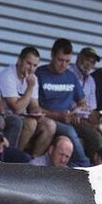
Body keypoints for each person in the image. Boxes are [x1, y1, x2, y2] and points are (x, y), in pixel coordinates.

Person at [35, 39, 91, 167]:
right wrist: (57, 115)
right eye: (60, 60)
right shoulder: (40, 74)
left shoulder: (71, 76)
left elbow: (83, 103)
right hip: (48, 119)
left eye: (67, 61)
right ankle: (84, 166)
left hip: (69, 119)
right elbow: (34, 108)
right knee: (70, 132)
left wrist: (77, 112)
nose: (63, 65)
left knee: (94, 137)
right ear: (52, 55)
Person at [0, 45, 55, 156]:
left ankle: (34, 160)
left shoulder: (33, 78)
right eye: (28, 63)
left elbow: (34, 105)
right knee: (31, 123)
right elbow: (16, 108)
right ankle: (16, 156)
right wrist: (30, 87)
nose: (31, 69)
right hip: (7, 115)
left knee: (50, 125)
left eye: (35, 65)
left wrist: (37, 112)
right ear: (19, 60)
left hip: (22, 116)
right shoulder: (8, 75)